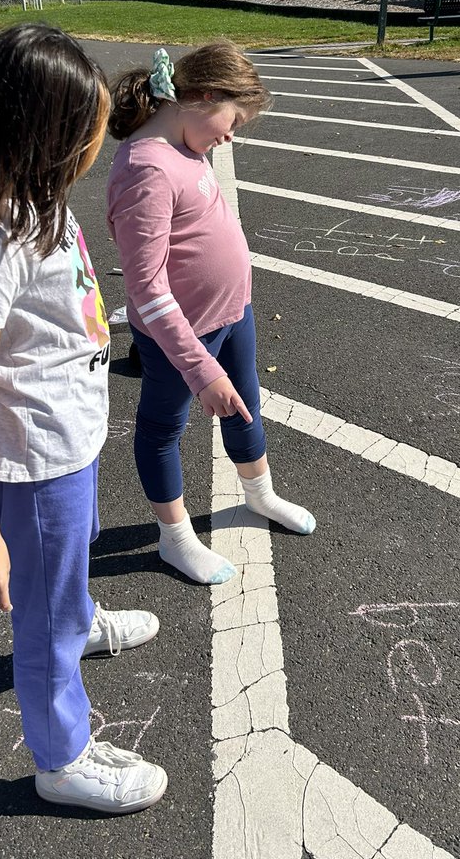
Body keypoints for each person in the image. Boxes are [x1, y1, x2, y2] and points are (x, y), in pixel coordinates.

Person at [0, 24, 167, 815]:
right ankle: (61, 756)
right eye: (92, 131)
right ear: (48, 135)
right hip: (34, 461)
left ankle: (81, 615)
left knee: (70, 568)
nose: (100, 144)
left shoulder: (40, 202)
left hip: (70, 436)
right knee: (39, 628)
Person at [106, 42, 315, 587]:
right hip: (182, 337)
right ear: (201, 95)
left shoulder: (186, 143)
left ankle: (260, 494)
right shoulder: (145, 167)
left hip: (230, 314)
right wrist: (202, 370)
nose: (231, 135)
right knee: (162, 429)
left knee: (246, 406)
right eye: (233, 120)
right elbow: (146, 287)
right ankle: (174, 538)